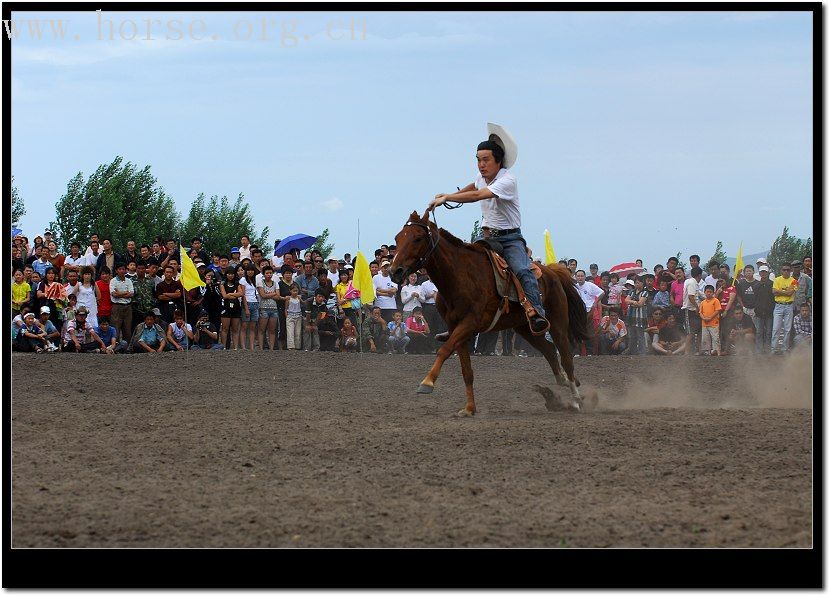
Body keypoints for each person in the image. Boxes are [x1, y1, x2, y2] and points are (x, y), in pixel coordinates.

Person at [428, 125, 549, 333]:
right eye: (478, 159)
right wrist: (449, 194)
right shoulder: (481, 177)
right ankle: (459, 320)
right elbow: (473, 188)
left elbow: (477, 196)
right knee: (463, 268)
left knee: (521, 269)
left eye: (485, 160)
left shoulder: (507, 180)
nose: (481, 164)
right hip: (485, 237)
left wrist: (448, 198)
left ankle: (537, 313)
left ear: (498, 161)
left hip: (510, 239)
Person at [574, 269, 604, 356]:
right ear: (576, 277)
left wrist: (595, 302)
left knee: (589, 332)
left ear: (584, 277)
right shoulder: (574, 287)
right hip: (578, 313)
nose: (580, 278)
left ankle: (590, 353)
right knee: (578, 332)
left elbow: (601, 293)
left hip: (589, 311)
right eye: (578, 276)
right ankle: (577, 353)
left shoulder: (590, 285)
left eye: (582, 276)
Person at [771, 262, 798, 354]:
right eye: (784, 270)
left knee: (787, 329)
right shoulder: (777, 279)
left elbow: (790, 293)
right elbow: (774, 292)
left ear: (790, 271)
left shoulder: (794, 281)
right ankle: (773, 349)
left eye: (788, 270)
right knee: (776, 328)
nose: (786, 271)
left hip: (789, 306)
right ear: (781, 270)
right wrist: (785, 291)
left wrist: (780, 291)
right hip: (778, 305)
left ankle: (784, 349)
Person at [109, 262, 134, 345]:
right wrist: (125, 293)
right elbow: (114, 294)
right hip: (117, 306)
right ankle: (114, 346)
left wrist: (120, 293)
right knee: (115, 327)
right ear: (116, 270)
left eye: (123, 269)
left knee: (127, 328)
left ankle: (127, 347)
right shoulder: (113, 281)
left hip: (128, 307)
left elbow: (131, 294)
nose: (122, 271)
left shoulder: (129, 281)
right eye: (120, 269)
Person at [256, 265, 281, 350]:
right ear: (264, 274)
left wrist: (268, 295)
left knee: (272, 330)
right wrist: (273, 293)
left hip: (274, 308)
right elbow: (262, 295)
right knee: (262, 329)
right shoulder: (260, 283)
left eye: (270, 273)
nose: (269, 274)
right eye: (267, 273)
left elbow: (278, 296)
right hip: (263, 308)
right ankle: (261, 348)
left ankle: (271, 348)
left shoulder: (276, 283)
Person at [623, 277, 649, 355]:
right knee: (632, 336)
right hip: (631, 316)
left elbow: (640, 303)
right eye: (636, 283)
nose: (637, 284)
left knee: (640, 336)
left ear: (642, 283)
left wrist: (632, 302)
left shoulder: (645, 292)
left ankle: (642, 353)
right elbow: (626, 301)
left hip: (640, 317)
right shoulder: (632, 291)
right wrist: (635, 302)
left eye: (638, 282)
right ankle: (633, 352)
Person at [219, 267, 243, 349]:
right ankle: (224, 346)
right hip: (225, 308)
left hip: (236, 308)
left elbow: (241, 293)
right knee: (225, 329)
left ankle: (235, 347)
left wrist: (230, 295)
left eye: (232, 274)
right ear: (226, 274)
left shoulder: (237, 283)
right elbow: (224, 296)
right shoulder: (223, 284)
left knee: (235, 329)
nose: (230, 276)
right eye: (229, 274)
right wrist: (233, 294)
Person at [682, 267, 704, 353]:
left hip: (693, 310)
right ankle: (687, 352)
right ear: (699, 275)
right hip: (690, 310)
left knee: (698, 331)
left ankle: (699, 350)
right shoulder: (692, 283)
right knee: (690, 333)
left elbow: (699, 294)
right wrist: (697, 307)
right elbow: (691, 297)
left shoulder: (690, 281)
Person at [754, 265, 775, 354]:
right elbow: (755, 298)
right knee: (759, 332)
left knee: (768, 332)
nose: (763, 273)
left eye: (765, 272)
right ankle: (759, 350)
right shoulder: (756, 285)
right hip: (758, 312)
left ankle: (767, 349)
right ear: (759, 273)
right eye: (762, 272)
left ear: (768, 273)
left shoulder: (772, 284)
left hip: (769, 312)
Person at [239, 266, 260, 350]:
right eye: (249, 270)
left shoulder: (254, 281)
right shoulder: (243, 280)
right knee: (244, 326)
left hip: (255, 303)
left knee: (252, 327)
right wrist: (246, 308)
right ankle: (243, 347)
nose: (250, 272)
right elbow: (243, 294)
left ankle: (252, 347)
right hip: (247, 303)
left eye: (252, 270)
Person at [698, 285, 722, 356]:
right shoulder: (702, 302)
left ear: (713, 292)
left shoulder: (715, 300)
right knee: (705, 338)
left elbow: (717, 310)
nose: (709, 293)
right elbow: (700, 312)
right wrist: (704, 318)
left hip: (714, 323)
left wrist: (710, 318)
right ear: (704, 292)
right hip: (704, 324)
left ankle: (718, 352)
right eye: (707, 292)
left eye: (710, 292)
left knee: (715, 338)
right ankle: (707, 352)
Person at [285, 283, 304, 350]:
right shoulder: (288, 299)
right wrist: (287, 317)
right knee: (290, 332)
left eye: (296, 291)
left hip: (298, 316)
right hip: (290, 316)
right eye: (294, 291)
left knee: (298, 332)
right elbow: (286, 309)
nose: (295, 292)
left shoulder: (299, 298)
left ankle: (297, 346)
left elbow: (303, 303)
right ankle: (291, 347)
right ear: (290, 291)